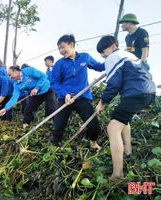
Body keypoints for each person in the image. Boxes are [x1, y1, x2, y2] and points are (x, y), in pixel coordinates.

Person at [95, 35, 156, 180]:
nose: (103, 56)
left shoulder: (112, 57)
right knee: (123, 119)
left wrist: (102, 102)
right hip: (149, 91)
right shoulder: (129, 55)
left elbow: (113, 84)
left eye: (103, 52)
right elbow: (146, 66)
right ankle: (128, 151)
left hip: (135, 93)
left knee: (113, 127)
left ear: (112, 46)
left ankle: (117, 174)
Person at [50, 34, 105, 149]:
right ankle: (55, 147)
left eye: (62, 47)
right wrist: (65, 93)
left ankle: (93, 143)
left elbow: (99, 67)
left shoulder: (85, 57)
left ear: (71, 45)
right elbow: (54, 82)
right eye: (59, 48)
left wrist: (112, 59)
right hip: (65, 99)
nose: (61, 51)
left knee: (93, 125)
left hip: (82, 97)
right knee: (58, 126)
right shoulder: (59, 64)